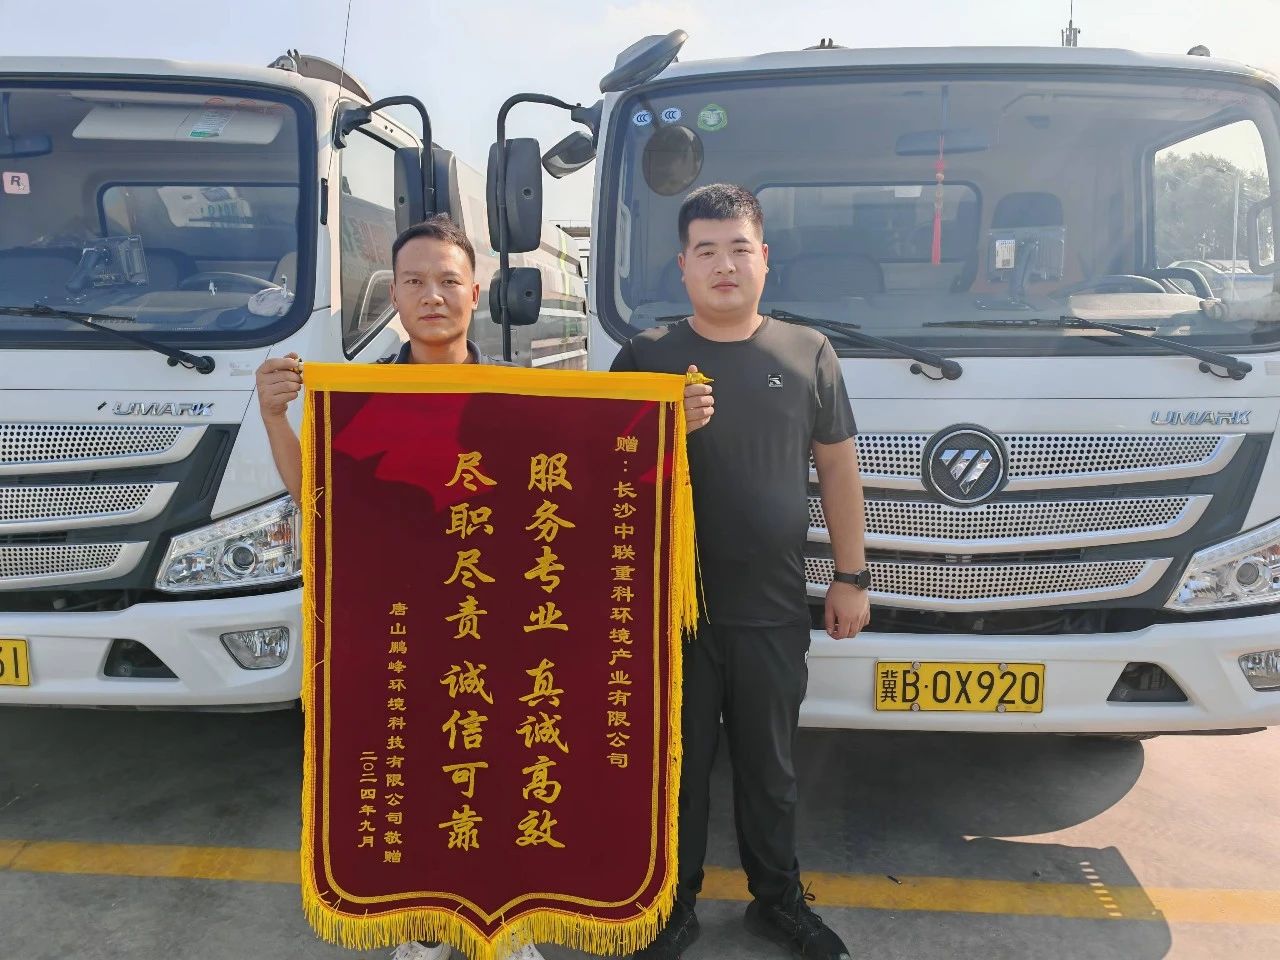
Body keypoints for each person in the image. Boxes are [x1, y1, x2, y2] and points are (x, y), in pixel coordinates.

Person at [255, 213, 544, 960]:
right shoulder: (362, 395)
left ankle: (503, 924)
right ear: (395, 296)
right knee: (416, 780)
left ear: (475, 292)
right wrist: (275, 416)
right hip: (403, 631)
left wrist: (675, 426)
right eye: (414, 281)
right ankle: (422, 929)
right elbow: (316, 499)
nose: (432, 296)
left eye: (448, 281)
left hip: (493, 628)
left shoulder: (519, 397)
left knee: (498, 776)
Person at [611, 184, 871, 960]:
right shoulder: (647, 356)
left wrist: (852, 576)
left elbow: (838, 467)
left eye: (738, 249)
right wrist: (661, 426)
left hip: (771, 606)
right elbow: (605, 474)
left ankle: (778, 902)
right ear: (682, 266)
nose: (724, 265)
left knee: (771, 769)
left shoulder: (806, 352)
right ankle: (672, 904)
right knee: (675, 770)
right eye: (706, 251)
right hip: (670, 611)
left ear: (765, 259)